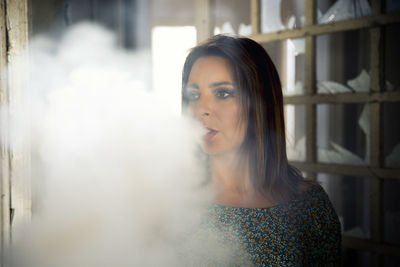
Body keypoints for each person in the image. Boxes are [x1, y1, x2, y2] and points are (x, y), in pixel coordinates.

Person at [181, 35, 341, 266]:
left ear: (260, 102)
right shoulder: (169, 202)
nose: (201, 109)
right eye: (193, 95)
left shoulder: (309, 205)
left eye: (223, 93)